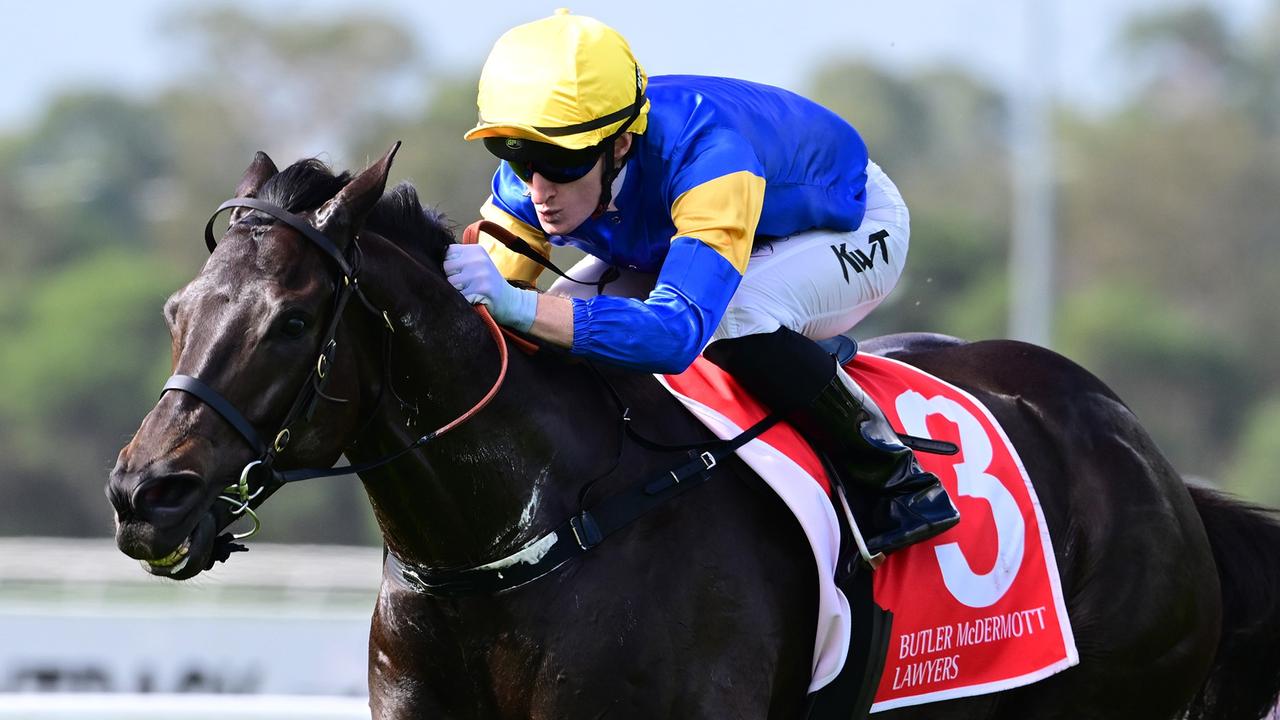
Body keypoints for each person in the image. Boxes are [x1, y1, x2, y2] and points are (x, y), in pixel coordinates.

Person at [443, 9, 958, 558]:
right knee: (549, 329)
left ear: (618, 145)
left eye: (559, 163)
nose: (538, 188)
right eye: (517, 159)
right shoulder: (540, 170)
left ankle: (893, 475)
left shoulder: (710, 157)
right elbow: (480, 321)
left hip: (844, 224)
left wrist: (521, 307)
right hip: (690, 230)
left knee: (733, 318)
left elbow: (674, 334)